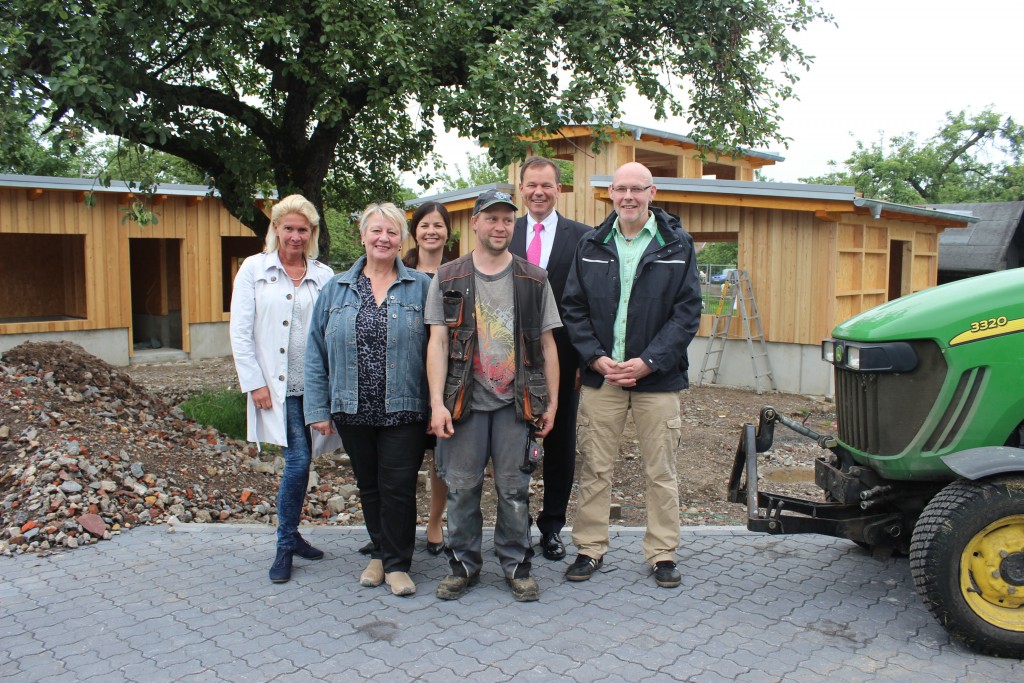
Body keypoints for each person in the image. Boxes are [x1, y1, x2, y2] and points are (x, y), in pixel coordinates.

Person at [561, 162, 703, 588]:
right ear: (610, 194)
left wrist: (650, 361)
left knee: (660, 471)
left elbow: (687, 312)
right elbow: (573, 308)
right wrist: (596, 358)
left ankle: (662, 554)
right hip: (603, 377)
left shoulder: (677, 245)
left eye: (636, 189)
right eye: (620, 189)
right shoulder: (591, 243)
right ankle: (589, 548)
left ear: (652, 192)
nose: (628, 196)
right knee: (595, 468)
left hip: (656, 380)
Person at [425, 189, 561, 602]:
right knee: (462, 488)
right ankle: (462, 565)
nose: (499, 227)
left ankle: (516, 564)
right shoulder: (448, 276)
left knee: (514, 490)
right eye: (491, 218)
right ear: (476, 223)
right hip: (463, 401)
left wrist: (551, 403)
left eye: (507, 220)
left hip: (515, 404)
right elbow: (437, 343)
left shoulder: (533, 279)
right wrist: (436, 403)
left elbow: (548, 344)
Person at [305, 202, 432, 597]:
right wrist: (318, 408)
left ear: (401, 240)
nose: (384, 238)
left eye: (392, 232)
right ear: (362, 235)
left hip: (405, 405)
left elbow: (439, 349)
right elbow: (315, 351)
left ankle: (397, 564)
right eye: (376, 230)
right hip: (351, 405)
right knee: (369, 486)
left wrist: (438, 405)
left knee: (398, 485)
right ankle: (379, 552)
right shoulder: (336, 288)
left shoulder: (421, 287)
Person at [229, 193, 339, 584]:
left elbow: (332, 331)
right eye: (288, 228)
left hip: (314, 386)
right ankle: (284, 545)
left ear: (312, 233)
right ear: (276, 229)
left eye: (302, 230)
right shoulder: (254, 269)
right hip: (276, 388)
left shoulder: (324, 275)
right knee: (297, 463)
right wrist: (254, 383)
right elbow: (240, 331)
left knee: (304, 462)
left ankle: (292, 535)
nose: (295, 236)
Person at [509, 156, 591, 561]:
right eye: (531, 185)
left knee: (560, 445)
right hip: (508, 361)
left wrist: (583, 363)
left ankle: (552, 526)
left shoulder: (583, 238)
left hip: (564, 360)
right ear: (521, 189)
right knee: (511, 444)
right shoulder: (506, 231)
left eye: (546, 185)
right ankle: (515, 525)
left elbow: (589, 304)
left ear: (559, 189)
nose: (538, 192)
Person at [403, 202, 452, 556]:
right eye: (424, 225)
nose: (431, 231)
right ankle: (397, 527)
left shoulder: (458, 272)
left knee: (441, 459)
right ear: (414, 231)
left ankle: (435, 522)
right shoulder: (399, 270)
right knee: (401, 457)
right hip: (405, 376)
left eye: (438, 225)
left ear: (448, 231)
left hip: (448, 378)